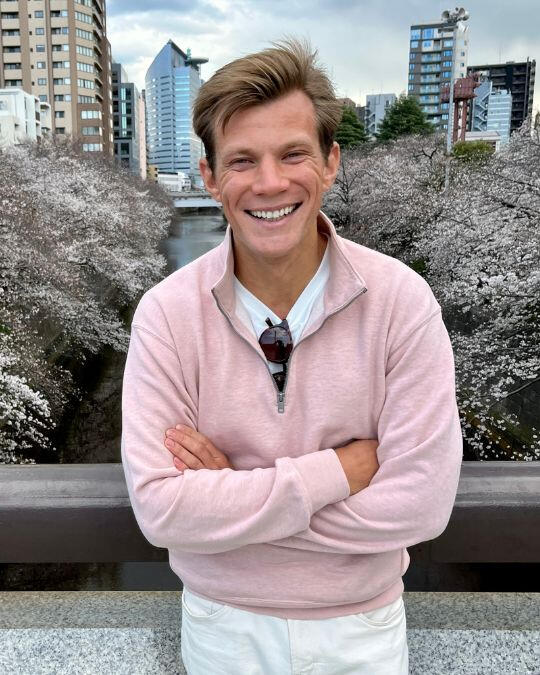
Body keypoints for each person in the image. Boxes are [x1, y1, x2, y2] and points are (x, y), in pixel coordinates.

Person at [121, 38, 463, 675]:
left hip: (362, 628)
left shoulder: (401, 301)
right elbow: (163, 510)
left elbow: (421, 503)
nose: (270, 183)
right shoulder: (167, 315)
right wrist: (337, 472)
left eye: (293, 154)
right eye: (242, 160)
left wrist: (232, 498)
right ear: (210, 177)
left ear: (331, 162)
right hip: (221, 627)